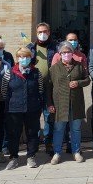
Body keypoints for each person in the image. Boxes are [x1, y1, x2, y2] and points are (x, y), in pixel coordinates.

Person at [47, 41, 90, 164]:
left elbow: (87, 80)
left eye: (69, 52)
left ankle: (76, 152)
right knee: (59, 129)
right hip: (60, 104)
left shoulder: (79, 66)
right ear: (60, 54)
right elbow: (49, 87)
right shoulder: (54, 68)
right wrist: (50, 103)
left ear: (72, 53)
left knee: (75, 129)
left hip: (76, 103)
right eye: (64, 52)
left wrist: (78, 83)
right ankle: (57, 153)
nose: (66, 54)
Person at [1, 47, 44, 170]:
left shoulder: (36, 73)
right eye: (21, 56)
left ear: (30, 58)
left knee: (32, 133)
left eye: (26, 56)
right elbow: (4, 91)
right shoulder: (9, 72)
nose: (24, 59)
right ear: (17, 58)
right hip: (14, 109)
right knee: (14, 134)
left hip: (32, 109)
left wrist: (38, 105)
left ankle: (31, 156)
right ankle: (14, 158)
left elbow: (41, 90)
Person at [26, 23, 57, 154]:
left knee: (49, 116)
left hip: (50, 87)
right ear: (36, 33)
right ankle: (35, 142)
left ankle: (48, 143)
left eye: (45, 31)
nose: (42, 34)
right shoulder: (30, 48)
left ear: (49, 32)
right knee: (34, 116)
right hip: (34, 87)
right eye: (40, 32)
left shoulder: (55, 47)